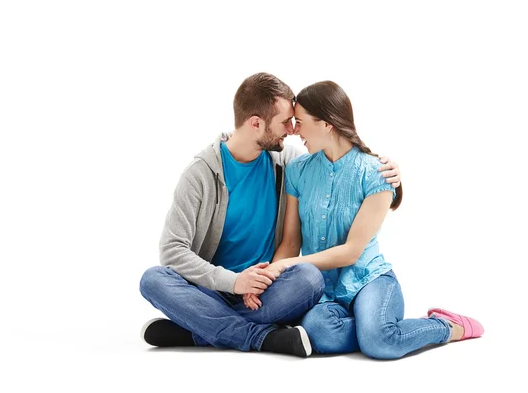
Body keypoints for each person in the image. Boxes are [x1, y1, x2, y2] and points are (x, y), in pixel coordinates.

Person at [139, 73, 402, 358]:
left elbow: (336, 164)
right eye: (285, 122)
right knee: (153, 279)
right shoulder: (201, 174)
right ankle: (262, 337)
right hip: (213, 289)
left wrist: (392, 172)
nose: (291, 130)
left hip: (268, 293)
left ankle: (199, 330)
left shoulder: (289, 164)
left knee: (309, 279)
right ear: (256, 124)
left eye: (296, 122)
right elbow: (172, 250)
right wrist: (234, 282)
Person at [245, 81, 483, 359]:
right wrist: (267, 281)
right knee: (319, 332)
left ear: (327, 124)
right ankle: (375, 329)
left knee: (380, 343)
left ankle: (445, 326)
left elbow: (351, 252)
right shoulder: (298, 171)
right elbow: (290, 241)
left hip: (369, 280)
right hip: (324, 289)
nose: (295, 131)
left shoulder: (376, 173)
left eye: (300, 121)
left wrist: (288, 264)